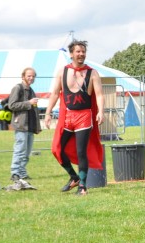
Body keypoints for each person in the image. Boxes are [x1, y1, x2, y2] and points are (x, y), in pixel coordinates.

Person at [45, 40, 104, 196]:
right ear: (71, 54)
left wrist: (101, 111)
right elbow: (55, 93)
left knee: (81, 152)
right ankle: (74, 177)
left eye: (83, 51)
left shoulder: (92, 73)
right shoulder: (62, 72)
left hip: (84, 116)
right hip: (67, 116)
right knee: (56, 149)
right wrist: (48, 112)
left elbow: (99, 94)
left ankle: (83, 186)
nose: (81, 54)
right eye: (78, 51)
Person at [7, 67, 41, 183]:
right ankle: (15, 173)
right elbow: (12, 105)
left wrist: (37, 126)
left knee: (27, 152)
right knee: (20, 150)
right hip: (21, 125)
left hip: (30, 125)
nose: (31, 78)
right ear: (23, 76)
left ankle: (22, 173)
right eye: (29, 76)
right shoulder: (17, 88)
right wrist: (28, 103)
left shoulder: (31, 90)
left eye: (33, 76)